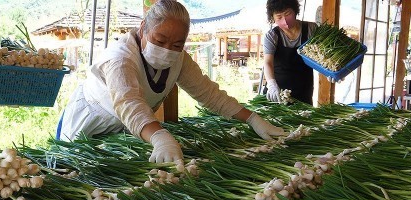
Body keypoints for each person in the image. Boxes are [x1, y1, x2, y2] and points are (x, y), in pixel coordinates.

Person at [57, 0, 286, 163]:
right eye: (160, 39)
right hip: (90, 125)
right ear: (143, 28)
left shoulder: (179, 60)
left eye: (177, 45)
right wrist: (159, 137)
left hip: (126, 130)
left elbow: (208, 93)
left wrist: (252, 119)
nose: (168, 50)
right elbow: (129, 104)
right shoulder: (120, 58)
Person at [263, 0, 318, 105]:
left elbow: (322, 54)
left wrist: (331, 72)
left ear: (295, 11)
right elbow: (268, 62)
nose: (285, 21)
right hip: (278, 92)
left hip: (303, 90)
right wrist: (271, 84)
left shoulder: (311, 29)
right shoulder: (272, 36)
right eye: (279, 17)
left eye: (288, 14)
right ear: (273, 18)